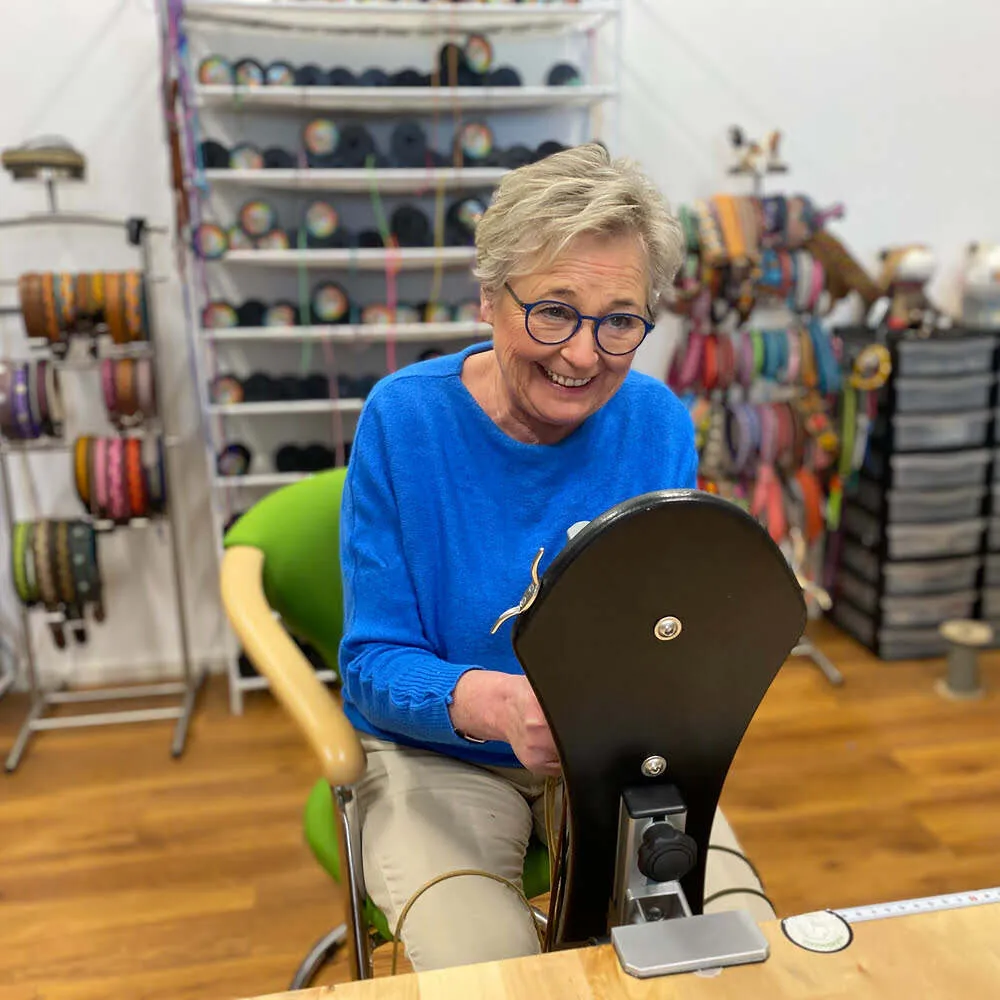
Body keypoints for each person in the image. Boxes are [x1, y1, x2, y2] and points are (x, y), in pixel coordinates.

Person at [339, 143, 697, 971]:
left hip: (612, 747)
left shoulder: (657, 422)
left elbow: (665, 622)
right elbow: (370, 660)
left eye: (619, 321)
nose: (583, 354)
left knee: (710, 942)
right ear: (491, 299)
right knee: (492, 969)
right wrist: (498, 706)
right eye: (554, 312)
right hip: (441, 750)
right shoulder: (404, 421)